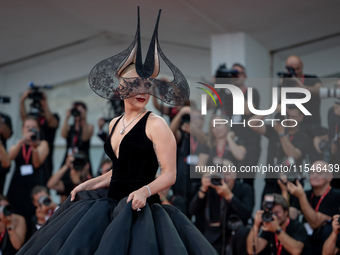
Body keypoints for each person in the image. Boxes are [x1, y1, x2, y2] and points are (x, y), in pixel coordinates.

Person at [17, 8, 218, 255]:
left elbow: (169, 174)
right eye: (135, 83)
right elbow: (119, 172)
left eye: (147, 84)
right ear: (121, 87)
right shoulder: (114, 123)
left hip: (142, 212)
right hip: (109, 206)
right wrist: (89, 183)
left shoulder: (156, 124)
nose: (143, 89)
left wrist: (145, 191)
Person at [189, 165, 254, 255]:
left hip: (235, 235)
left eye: (227, 174)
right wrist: (203, 188)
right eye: (220, 174)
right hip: (212, 235)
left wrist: (229, 196)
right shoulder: (211, 188)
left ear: (234, 175)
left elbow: (247, 214)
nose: (224, 178)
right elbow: (192, 211)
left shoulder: (245, 189)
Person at [249, 106, 310, 200]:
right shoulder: (275, 130)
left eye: (293, 117)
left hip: (291, 185)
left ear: (300, 117)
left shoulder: (303, 136)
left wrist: (282, 134)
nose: (290, 120)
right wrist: (271, 109)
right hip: (271, 183)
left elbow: (293, 154)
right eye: (288, 116)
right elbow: (252, 123)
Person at [287, 160, 340, 255]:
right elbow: (289, 218)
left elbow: (315, 222)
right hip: (307, 247)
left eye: (319, 172)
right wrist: (286, 189)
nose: (314, 175)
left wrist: (301, 196)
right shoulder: (306, 194)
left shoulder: (336, 195)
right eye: (312, 172)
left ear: (330, 177)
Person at [7, 116, 49, 230]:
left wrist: (34, 146)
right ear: (22, 129)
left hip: (35, 186)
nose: (30, 130)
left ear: (38, 130)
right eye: (28, 127)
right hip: (17, 186)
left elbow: (36, 164)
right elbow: (10, 157)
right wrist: (22, 141)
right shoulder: (17, 144)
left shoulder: (42, 144)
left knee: (34, 214)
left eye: (33, 127)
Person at [246, 193, 311, 255]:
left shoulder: (297, 226)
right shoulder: (269, 227)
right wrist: (256, 226)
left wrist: (277, 230)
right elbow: (252, 251)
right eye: (270, 213)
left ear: (286, 212)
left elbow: (296, 251)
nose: (274, 216)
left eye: (277, 213)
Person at [20, 89, 59, 182]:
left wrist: (44, 104)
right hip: (28, 155)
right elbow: (24, 119)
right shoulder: (32, 116)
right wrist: (22, 100)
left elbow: (52, 123)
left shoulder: (53, 116)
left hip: (45, 157)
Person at [280, 55, 323, 126]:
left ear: (302, 67)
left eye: (297, 69)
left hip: (312, 125)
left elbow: (320, 90)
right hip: (294, 126)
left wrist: (303, 87)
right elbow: (281, 103)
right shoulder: (287, 83)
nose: (295, 72)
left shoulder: (312, 79)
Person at [60, 101, 94, 175]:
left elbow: (85, 138)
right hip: (69, 158)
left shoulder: (89, 126)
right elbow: (63, 134)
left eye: (80, 110)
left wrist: (83, 118)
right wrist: (67, 117)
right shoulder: (70, 127)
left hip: (83, 157)